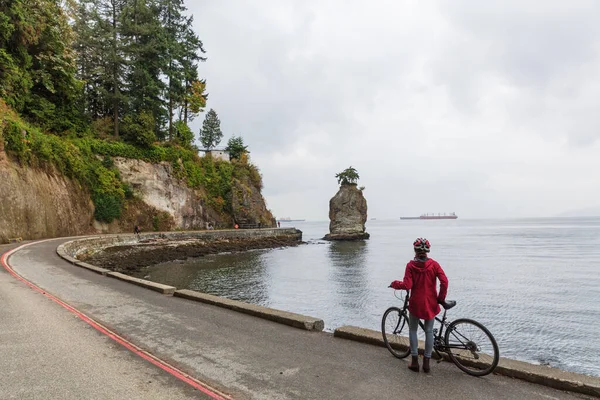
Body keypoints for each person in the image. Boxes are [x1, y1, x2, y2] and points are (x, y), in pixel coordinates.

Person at [390, 238, 448, 373]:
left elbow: (407, 285)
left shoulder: (411, 266)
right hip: (430, 303)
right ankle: (427, 363)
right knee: (429, 331)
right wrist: (440, 298)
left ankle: (415, 362)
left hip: (416, 303)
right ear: (428, 251)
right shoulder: (434, 265)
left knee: (413, 330)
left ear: (415, 250)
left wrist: (394, 284)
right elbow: (444, 282)